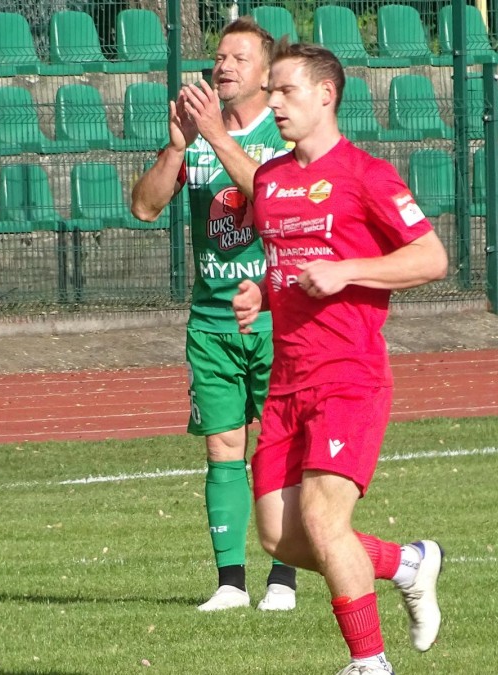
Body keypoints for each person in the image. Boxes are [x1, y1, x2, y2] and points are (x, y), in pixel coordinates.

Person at [232, 40, 448, 675]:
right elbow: (290, 267)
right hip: (286, 381)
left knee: (326, 521)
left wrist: (348, 270)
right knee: (279, 538)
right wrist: (261, 293)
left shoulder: (366, 175)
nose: (274, 103)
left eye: (286, 90)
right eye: (270, 91)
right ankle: (407, 563)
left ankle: (369, 662)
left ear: (326, 94)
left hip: (349, 376)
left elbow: (432, 258)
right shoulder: (269, 180)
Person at [131, 16, 298, 613]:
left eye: (238, 58)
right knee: (223, 447)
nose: (222, 66)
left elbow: (272, 196)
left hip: (278, 319)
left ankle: (284, 578)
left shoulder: (284, 134)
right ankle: (230, 583)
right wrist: (179, 147)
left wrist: (213, 137)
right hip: (211, 321)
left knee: (281, 446)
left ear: (266, 74)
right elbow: (144, 207)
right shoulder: (195, 133)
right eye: (219, 57)